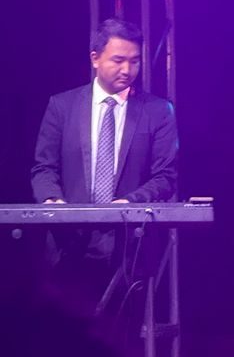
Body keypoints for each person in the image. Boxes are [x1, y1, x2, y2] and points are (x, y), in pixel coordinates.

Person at [30, 17, 179, 338]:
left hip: (127, 248)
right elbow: (43, 168)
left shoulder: (157, 111)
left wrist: (128, 202)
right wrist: (52, 201)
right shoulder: (62, 106)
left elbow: (165, 177)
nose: (128, 69)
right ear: (95, 58)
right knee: (61, 339)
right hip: (68, 244)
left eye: (135, 61)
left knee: (117, 340)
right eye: (118, 60)